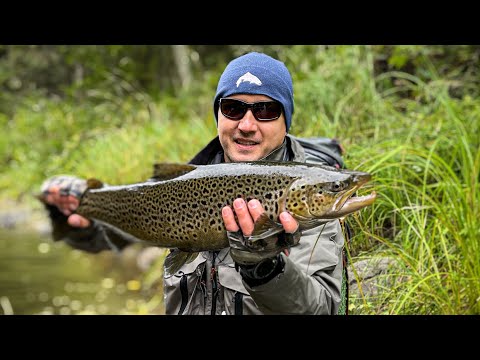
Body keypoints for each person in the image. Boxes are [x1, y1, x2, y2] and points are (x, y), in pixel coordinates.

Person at [40, 52, 347, 315]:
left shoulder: (309, 205)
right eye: (233, 109)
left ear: (285, 121)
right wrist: (70, 215)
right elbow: (111, 239)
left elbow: (323, 307)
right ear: (218, 115)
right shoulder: (185, 184)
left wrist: (265, 267)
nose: (247, 125)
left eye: (266, 111)